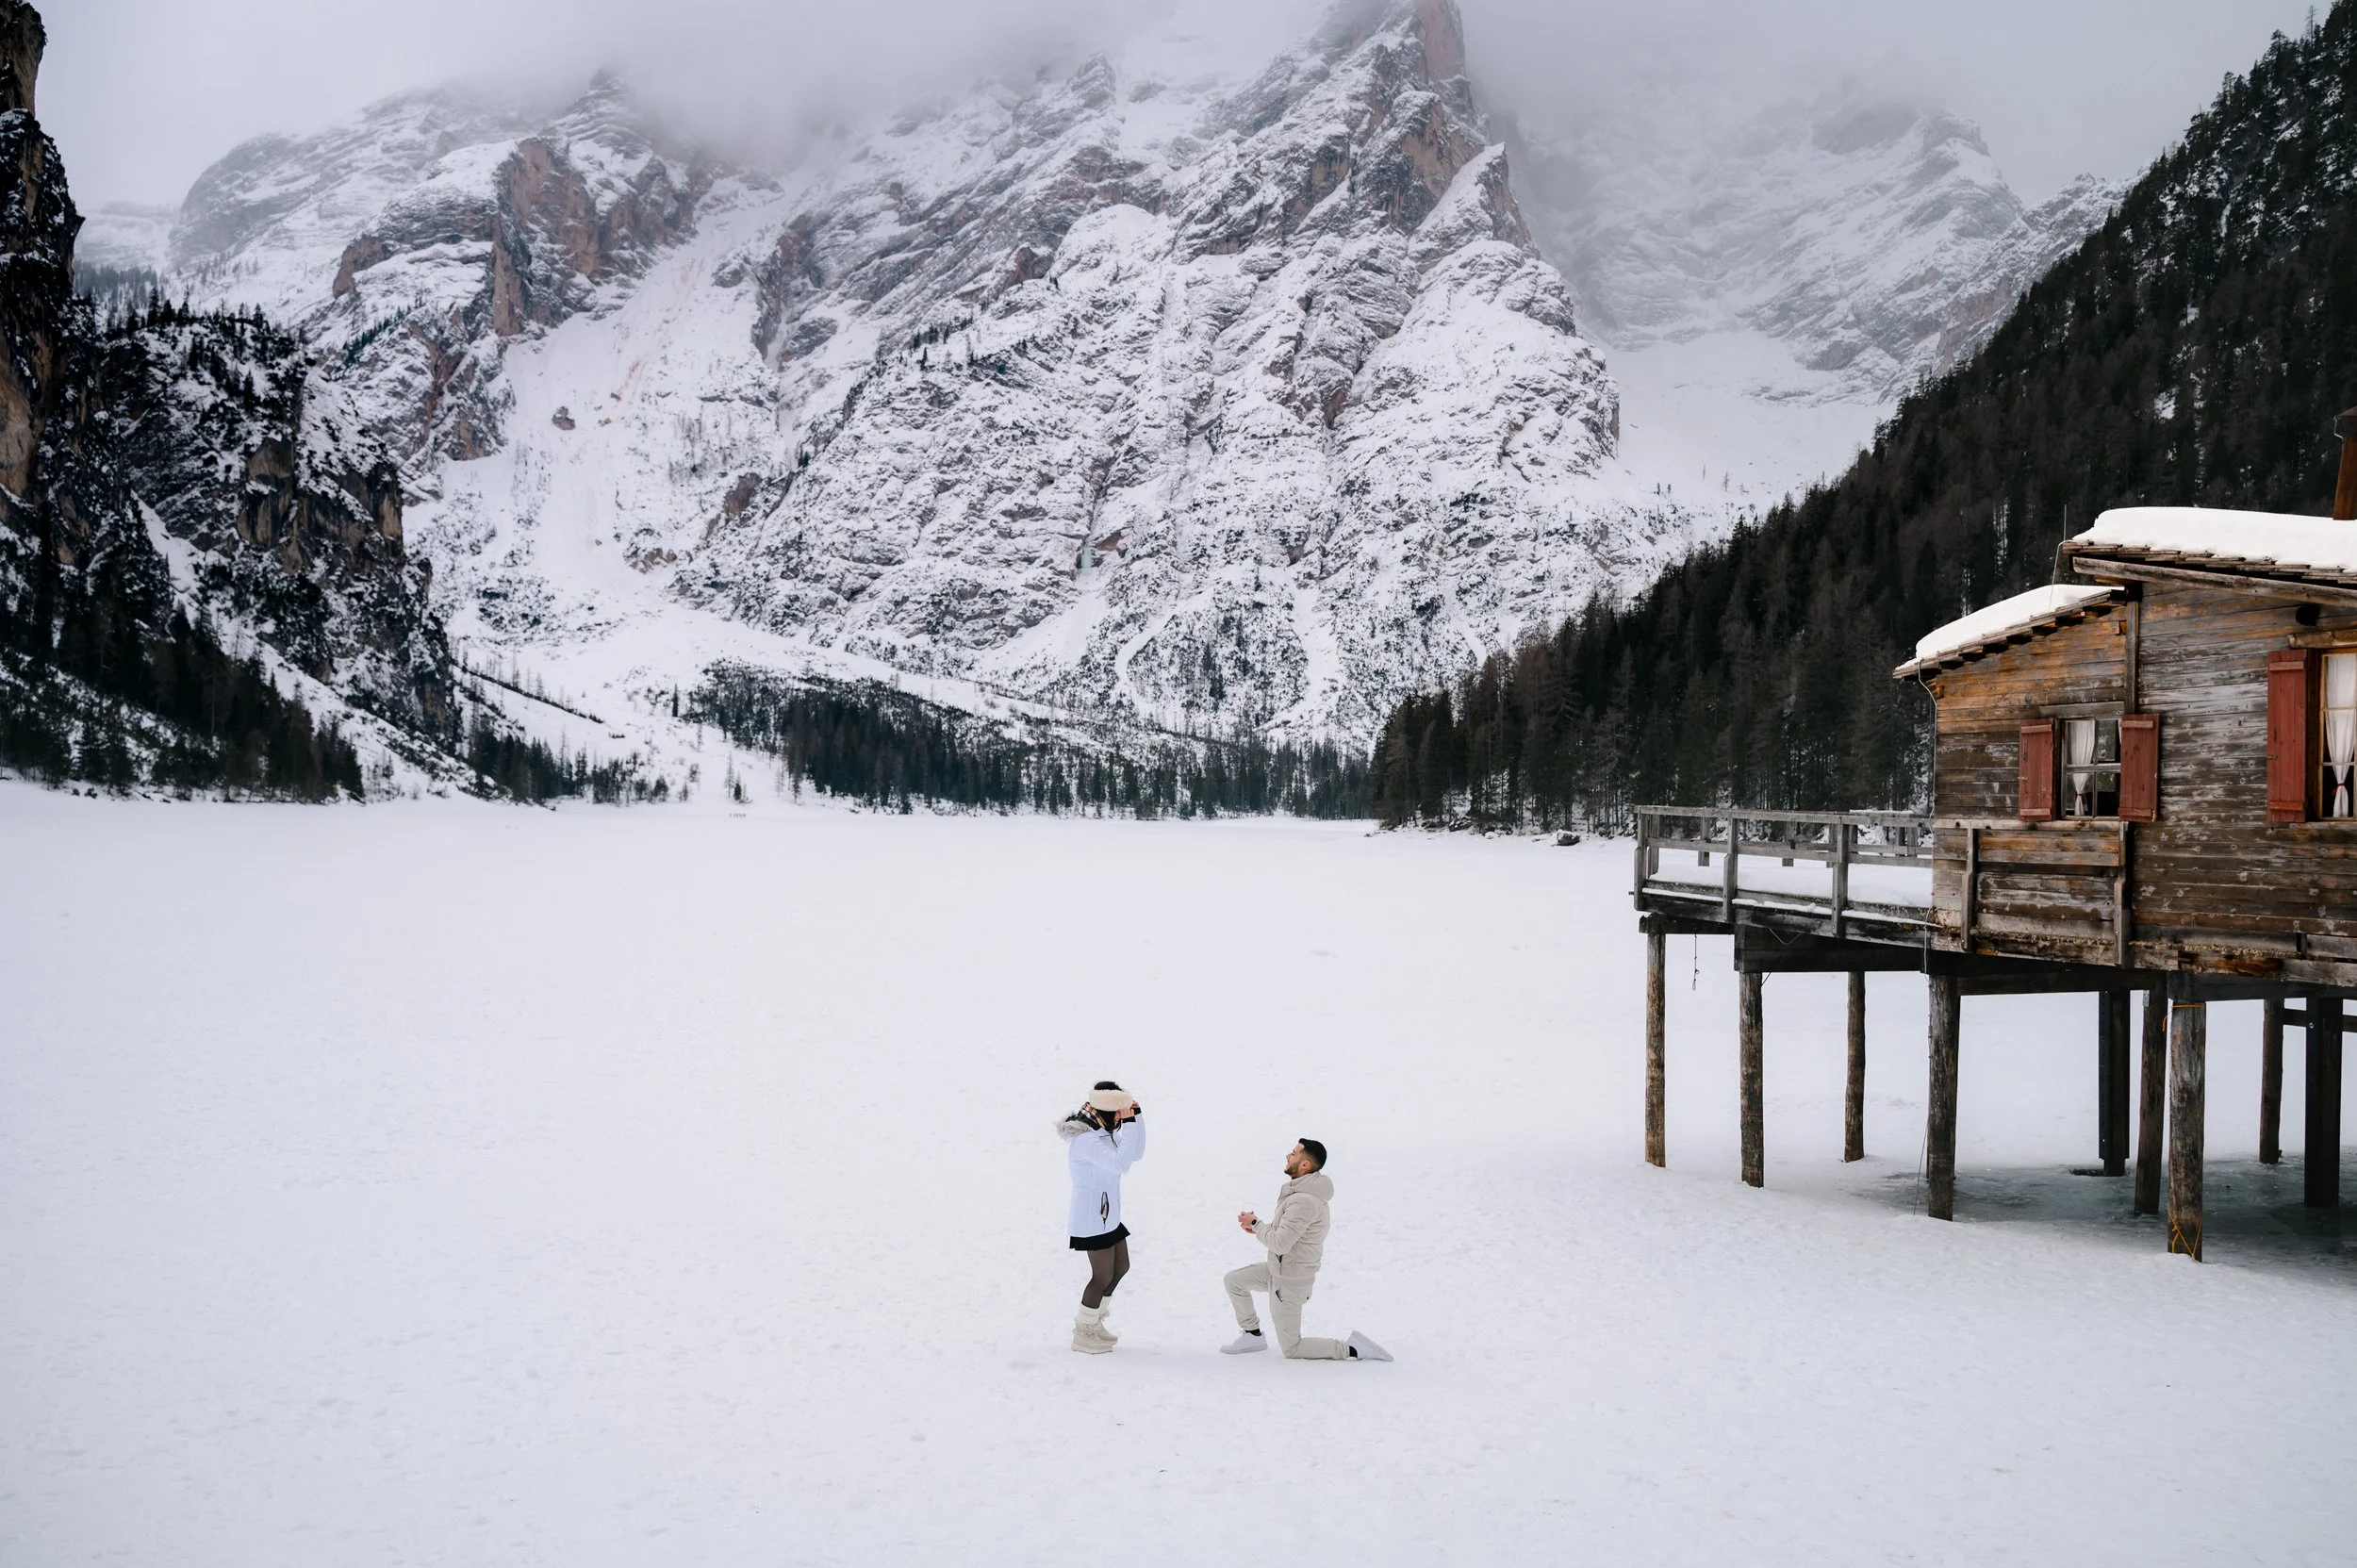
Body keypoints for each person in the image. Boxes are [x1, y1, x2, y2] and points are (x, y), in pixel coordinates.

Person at [1221, 1138, 1390, 1362]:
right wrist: (1260, 1227)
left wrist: (1256, 1225)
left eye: (1294, 1153)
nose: (1287, 1156)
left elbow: (1280, 1243)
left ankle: (1352, 1349)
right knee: (1234, 1281)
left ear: (1305, 1165)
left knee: (1292, 1349)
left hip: (1289, 1285)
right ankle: (1252, 1335)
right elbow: (1286, 1234)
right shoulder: (1299, 1195)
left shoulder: (1305, 1201)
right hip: (1277, 1272)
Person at [1059, 1081, 1145, 1354]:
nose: (1121, 1116)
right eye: (1118, 1112)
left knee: (1121, 1268)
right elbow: (1121, 1163)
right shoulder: (1085, 1140)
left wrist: (1136, 1117)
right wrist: (1128, 1122)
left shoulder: (1101, 1135)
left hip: (1108, 1214)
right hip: (1092, 1216)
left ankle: (1094, 1323)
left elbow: (1135, 1153)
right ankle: (1083, 1332)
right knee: (1102, 1275)